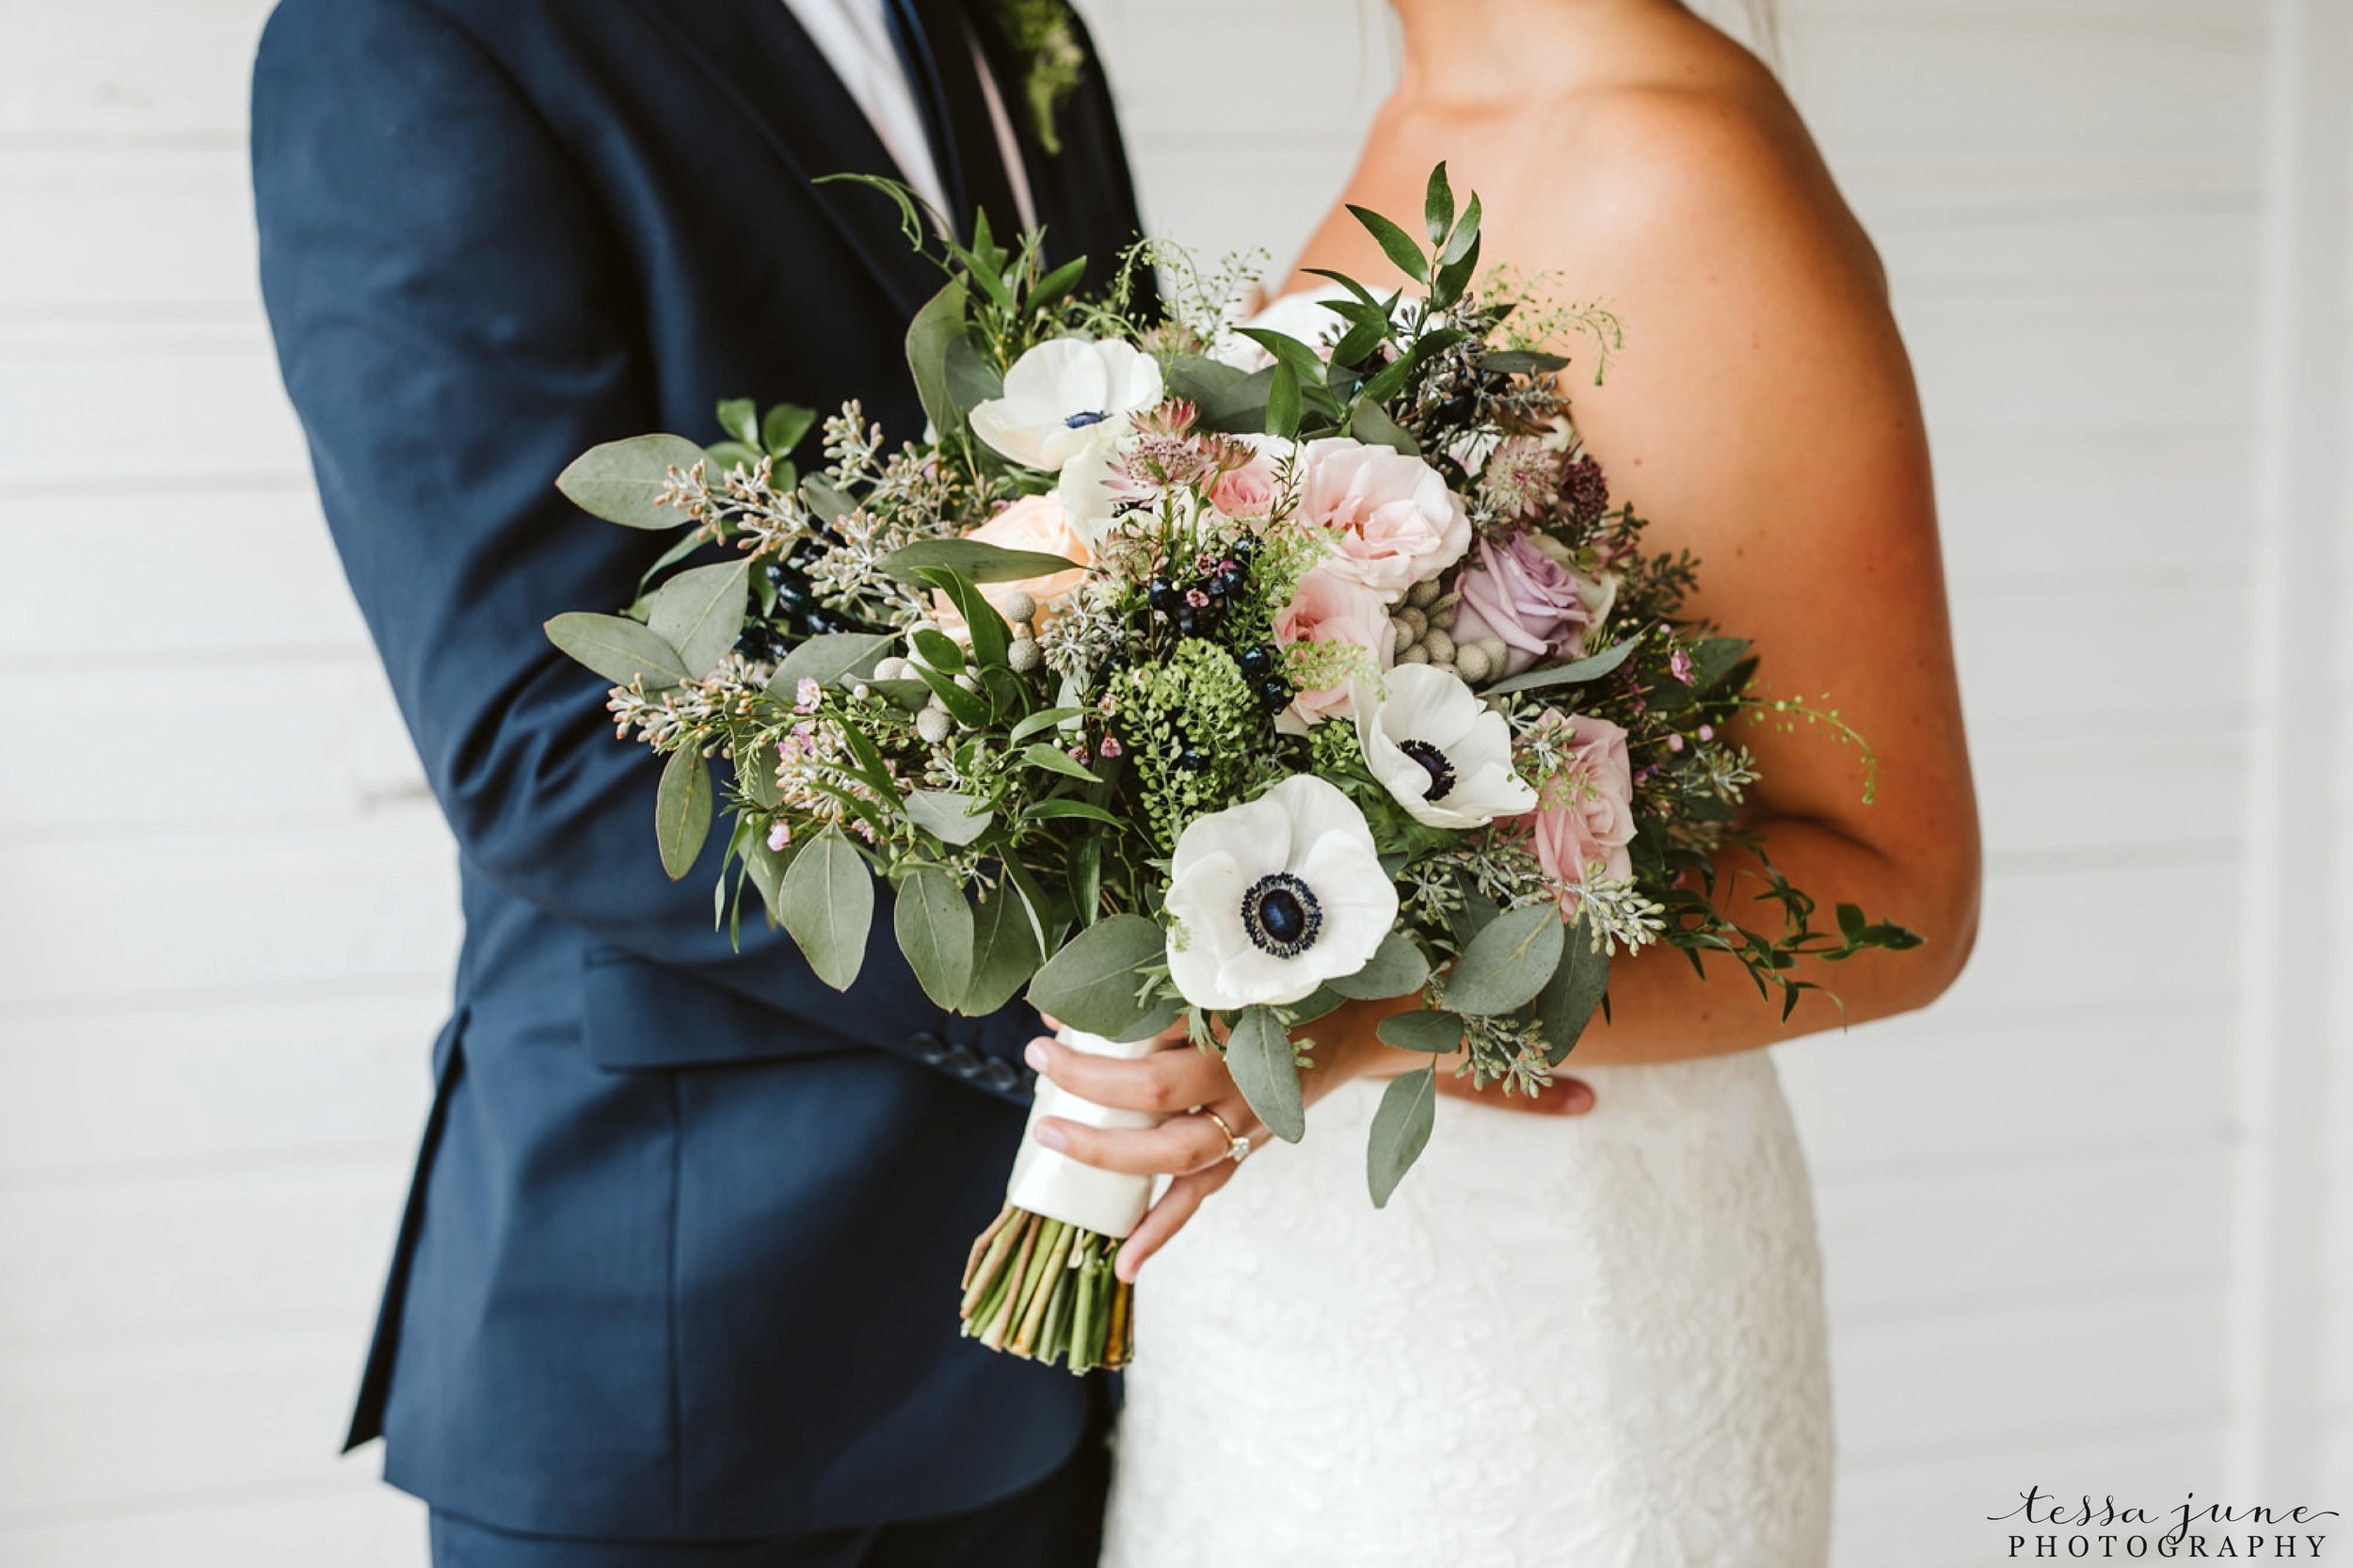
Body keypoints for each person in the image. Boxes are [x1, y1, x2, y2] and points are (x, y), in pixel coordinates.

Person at [1030, 3, 1984, 1563]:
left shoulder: (1680, 165)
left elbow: (1907, 894)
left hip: (1546, 1332)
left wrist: (1374, 1014)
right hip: (1289, 1338)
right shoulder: (1428, 100)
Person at [250, 1, 1152, 1561]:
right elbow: (542, 734)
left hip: (1058, 1332)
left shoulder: (1019, 27)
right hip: (679, 1340)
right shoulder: (402, 37)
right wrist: (1102, 986)